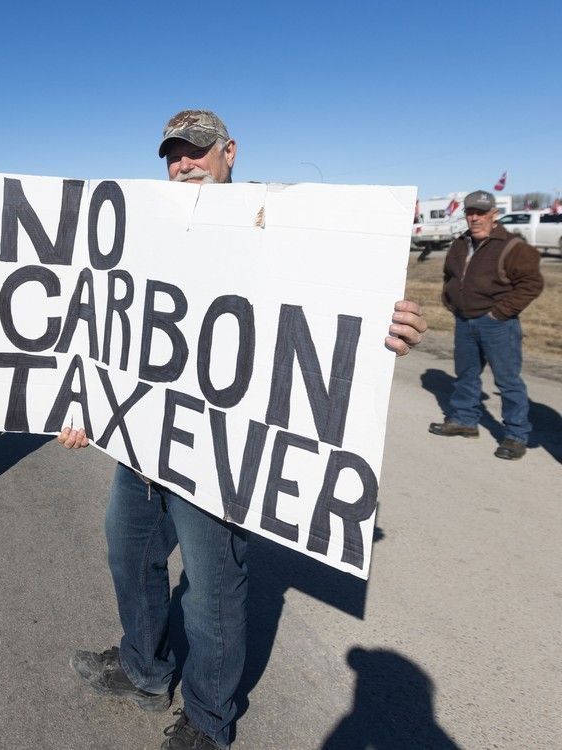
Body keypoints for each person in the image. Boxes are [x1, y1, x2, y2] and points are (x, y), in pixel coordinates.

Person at [59, 110, 429, 750]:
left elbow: (325, 313)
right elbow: (105, 319)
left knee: (211, 591)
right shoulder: (151, 229)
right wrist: (81, 402)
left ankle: (207, 719)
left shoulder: (282, 231)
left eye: (196, 151)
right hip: (144, 438)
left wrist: (384, 328)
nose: (184, 163)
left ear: (229, 152)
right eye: (173, 154)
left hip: (219, 450)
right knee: (128, 550)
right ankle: (145, 671)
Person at [429, 189, 543, 460]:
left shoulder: (512, 246)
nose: (475, 218)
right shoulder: (460, 244)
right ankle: (465, 420)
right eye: (470, 213)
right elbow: (450, 275)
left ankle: (516, 435)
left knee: (507, 381)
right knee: (466, 374)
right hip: (464, 320)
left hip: (497, 324)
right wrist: (450, 300)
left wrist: (500, 313)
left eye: (481, 213)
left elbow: (531, 284)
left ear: (494, 215)